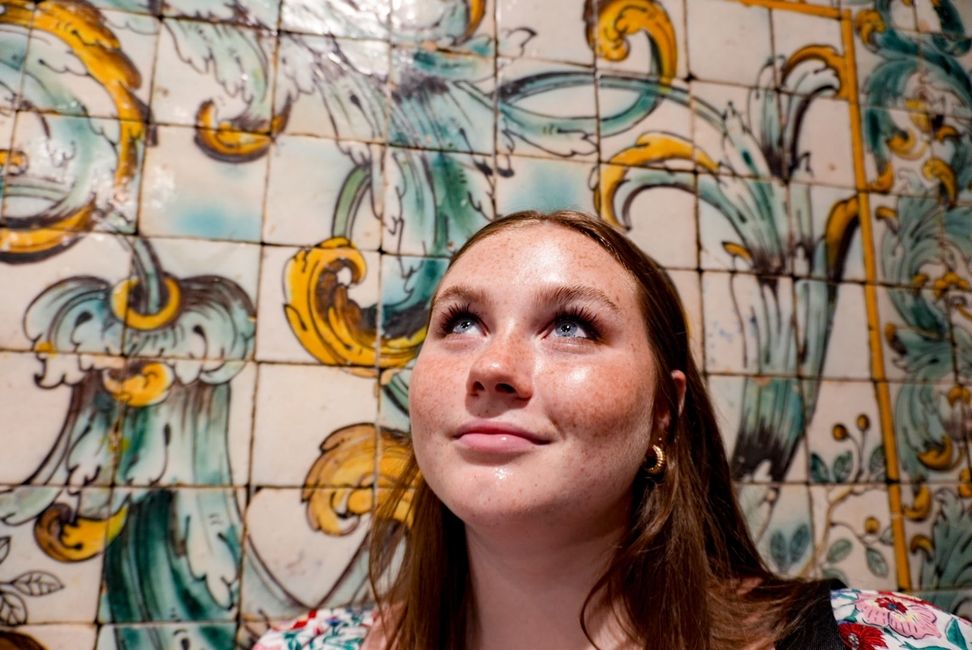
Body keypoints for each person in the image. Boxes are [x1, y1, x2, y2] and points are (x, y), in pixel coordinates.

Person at [255, 210, 972, 649]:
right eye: (461, 322)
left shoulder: (876, 642)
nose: (493, 366)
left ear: (665, 410)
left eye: (571, 325)